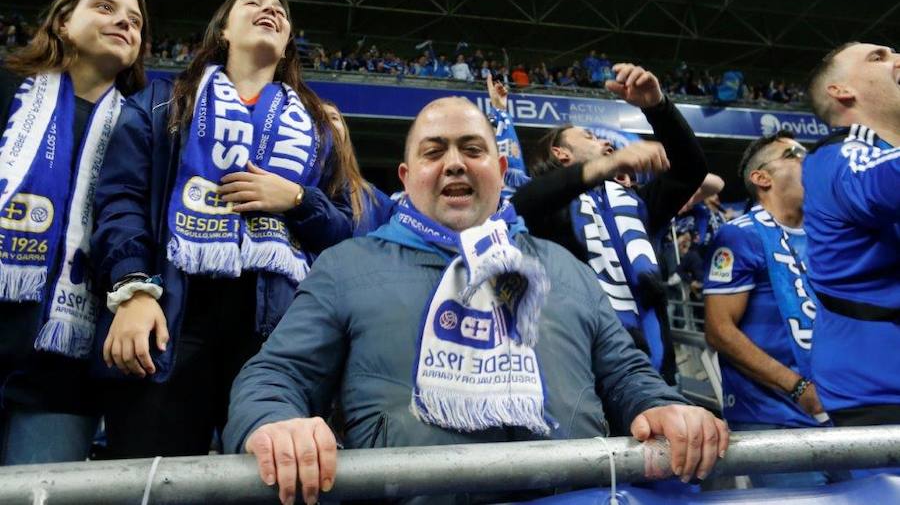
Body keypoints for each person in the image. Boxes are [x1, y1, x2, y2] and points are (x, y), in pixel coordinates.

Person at [224, 97, 729, 505]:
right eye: (433, 151)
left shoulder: (562, 266)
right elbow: (277, 374)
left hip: (578, 494)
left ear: (500, 167)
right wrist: (275, 421)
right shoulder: (347, 265)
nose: (454, 164)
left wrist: (661, 405)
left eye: (472, 149)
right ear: (405, 176)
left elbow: (625, 374)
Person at [90, 0, 353, 458]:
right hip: (168, 323)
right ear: (224, 32)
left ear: (289, 42)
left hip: (274, 339)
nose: (270, 9)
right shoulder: (163, 103)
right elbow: (122, 200)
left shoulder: (315, 126)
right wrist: (133, 288)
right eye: (253, 3)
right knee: (158, 483)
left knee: (271, 481)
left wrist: (296, 198)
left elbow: (344, 233)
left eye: (280, 10)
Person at [0, 0, 148, 464]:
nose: (124, 23)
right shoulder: (7, 90)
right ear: (64, 22)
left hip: (66, 370)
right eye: (105, 8)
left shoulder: (143, 128)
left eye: (135, 21)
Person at [512, 63, 708, 385]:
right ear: (561, 154)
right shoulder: (549, 207)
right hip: (581, 381)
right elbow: (522, 205)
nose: (604, 144)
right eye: (588, 137)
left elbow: (691, 169)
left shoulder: (637, 203)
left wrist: (657, 107)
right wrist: (606, 165)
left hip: (656, 375)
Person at [704, 131, 834, 488]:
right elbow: (719, 330)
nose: (807, 158)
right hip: (777, 417)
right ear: (761, 178)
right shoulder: (740, 235)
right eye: (793, 153)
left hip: (843, 409)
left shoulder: (829, 232)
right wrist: (799, 389)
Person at [803, 42, 900, 429]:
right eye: (879, 56)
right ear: (842, 91)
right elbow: (886, 184)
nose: (895, 59)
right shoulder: (837, 155)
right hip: (881, 397)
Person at [321, 100, 394, 236]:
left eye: (333, 118)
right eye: (318, 119)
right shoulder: (290, 188)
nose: (327, 123)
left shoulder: (374, 200)